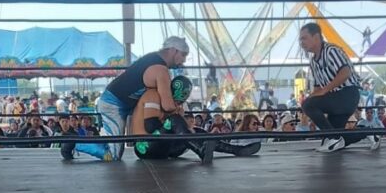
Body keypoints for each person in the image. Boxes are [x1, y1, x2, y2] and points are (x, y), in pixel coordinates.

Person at [62, 37, 188, 162]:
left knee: (115, 147)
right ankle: (74, 142)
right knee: (113, 155)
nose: (184, 60)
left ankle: (85, 143)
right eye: (183, 55)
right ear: (173, 50)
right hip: (113, 105)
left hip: (120, 103)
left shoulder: (151, 58)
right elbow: (167, 105)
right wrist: (178, 113)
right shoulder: (161, 70)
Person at [130, 76, 259, 163]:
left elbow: (177, 130)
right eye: (176, 101)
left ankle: (236, 150)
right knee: (174, 120)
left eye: (179, 102)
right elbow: (151, 127)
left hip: (165, 150)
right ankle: (200, 150)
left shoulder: (171, 105)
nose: (177, 104)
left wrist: (186, 127)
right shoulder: (152, 95)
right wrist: (173, 116)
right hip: (144, 148)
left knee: (197, 131)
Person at [300, 22, 378, 152]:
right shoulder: (313, 62)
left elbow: (345, 72)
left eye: (304, 38)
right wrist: (310, 106)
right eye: (300, 39)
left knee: (331, 135)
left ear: (316, 37)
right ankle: (367, 132)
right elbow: (317, 89)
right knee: (332, 137)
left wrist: (311, 102)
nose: (301, 42)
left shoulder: (331, 51)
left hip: (347, 95)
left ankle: (335, 138)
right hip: (336, 98)